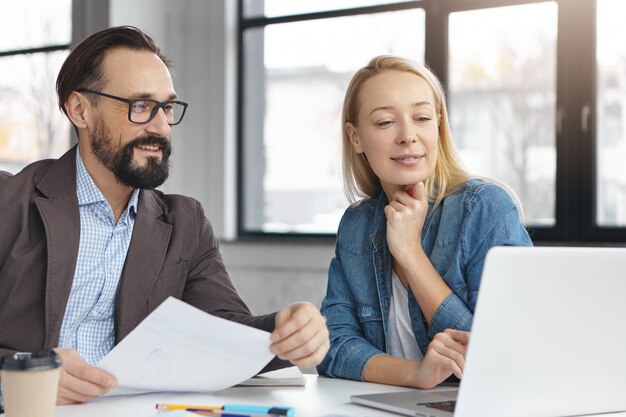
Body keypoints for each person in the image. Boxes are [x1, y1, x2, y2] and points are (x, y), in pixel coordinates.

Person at [0, 26, 329, 404]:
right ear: (80, 110)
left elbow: (227, 332)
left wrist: (288, 330)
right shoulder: (9, 203)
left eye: (167, 107)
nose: (160, 127)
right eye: (140, 105)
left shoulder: (185, 224)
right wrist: (22, 378)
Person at [316, 55, 532, 389]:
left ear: (439, 126)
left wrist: (411, 254)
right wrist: (416, 375)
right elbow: (332, 347)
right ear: (355, 137)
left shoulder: (484, 209)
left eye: (421, 117)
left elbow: (507, 357)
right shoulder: (356, 226)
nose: (408, 135)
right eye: (386, 122)